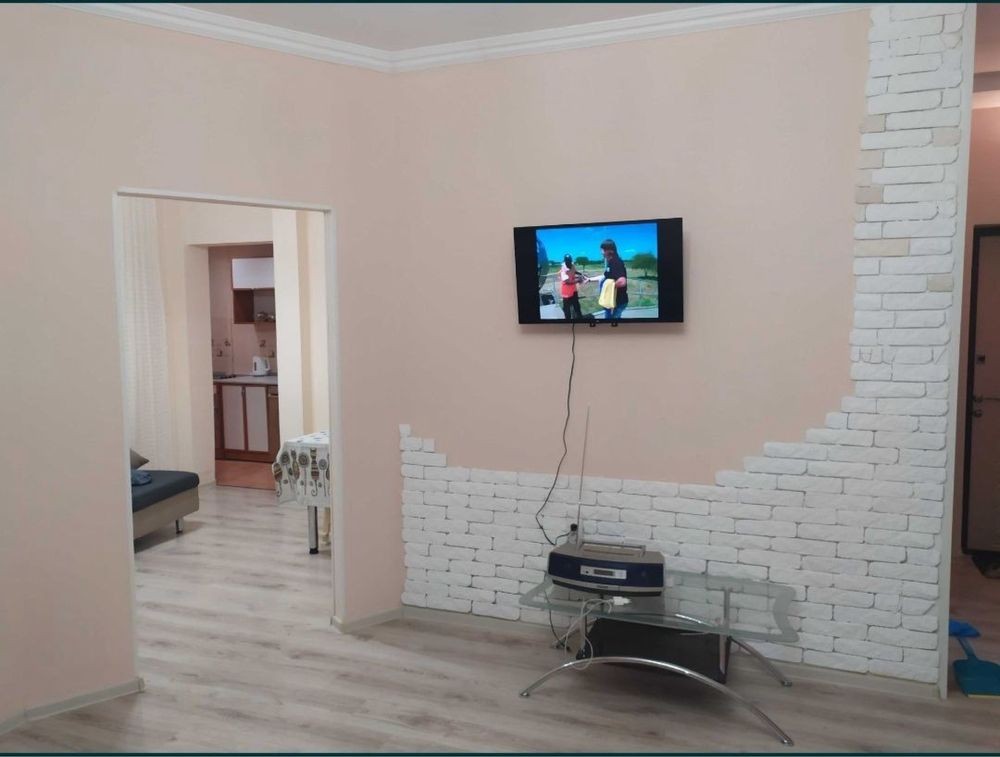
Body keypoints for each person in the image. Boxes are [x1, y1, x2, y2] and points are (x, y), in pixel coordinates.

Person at [588, 239, 628, 320]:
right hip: (611, 302)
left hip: (616, 303)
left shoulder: (616, 262)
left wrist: (608, 287)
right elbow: (605, 276)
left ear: (609, 250)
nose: (601, 252)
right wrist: (589, 279)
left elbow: (622, 281)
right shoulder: (611, 262)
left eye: (602, 250)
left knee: (611, 324)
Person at [559, 254, 587, 320]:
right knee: (567, 308)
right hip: (566, 293)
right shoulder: (563, 270)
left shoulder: (572, 265)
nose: (569, 263)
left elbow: (574, 271)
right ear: (565, 261)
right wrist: (578, 280)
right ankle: (568, 320)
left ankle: (580, 318)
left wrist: (581, 274)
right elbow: (567, 282)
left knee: (576, 305)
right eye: (567, 262)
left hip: (573, 290)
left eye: (570, 261)